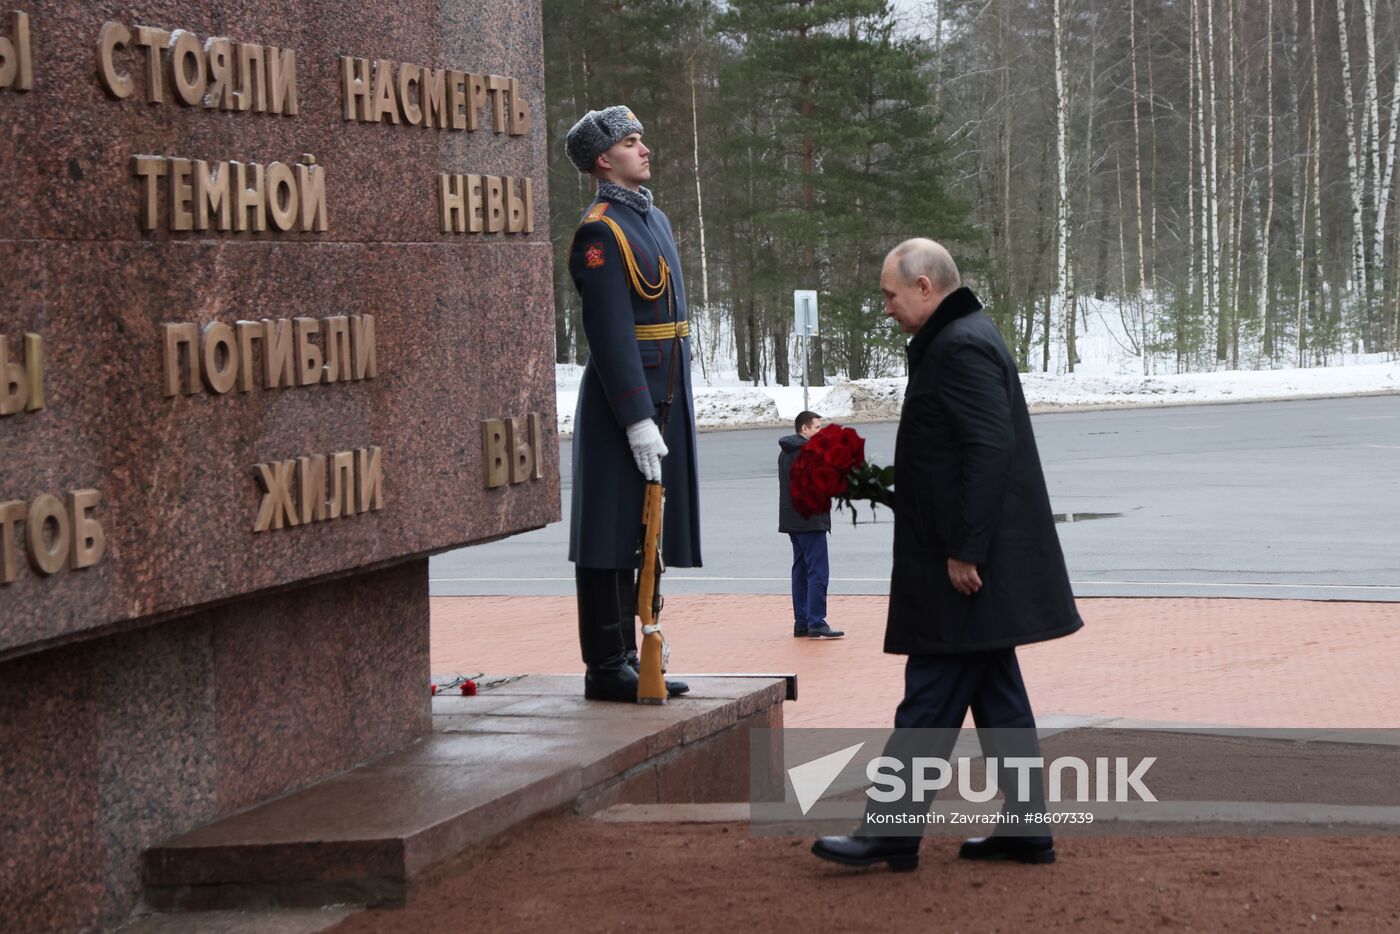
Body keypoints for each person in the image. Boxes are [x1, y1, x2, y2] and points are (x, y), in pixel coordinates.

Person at [812, 239, 1083, 870]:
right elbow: (954, 450)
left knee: (930, 694)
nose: (886, 307)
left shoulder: (959, 345)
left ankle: (889, 831)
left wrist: (964, 550)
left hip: (963, 564)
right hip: (970, 556)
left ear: (926, 286)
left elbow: (989, 450)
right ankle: (1026, 830)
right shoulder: (959, 337)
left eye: (890, 294)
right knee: (997, 696)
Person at [564, 106, 699, 702]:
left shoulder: (654, 219)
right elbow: (612, 331)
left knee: (647, 532)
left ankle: (641, 650)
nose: (643, 149)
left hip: (664, 392)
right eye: (630, 142)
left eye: (641, 138)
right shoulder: (601, 230)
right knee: (609, 531)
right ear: (603, 160)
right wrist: (637, 417)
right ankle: (607, 662)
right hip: (624, 403)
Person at [778, 411, 844, 639]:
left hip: (793, 520)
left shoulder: (786, 452)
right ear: (804, 429)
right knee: (818, 571)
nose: (821, 431)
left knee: (800, 570)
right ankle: (816, 620)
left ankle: (802, 621)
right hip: (810, 520)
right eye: (817, 427)